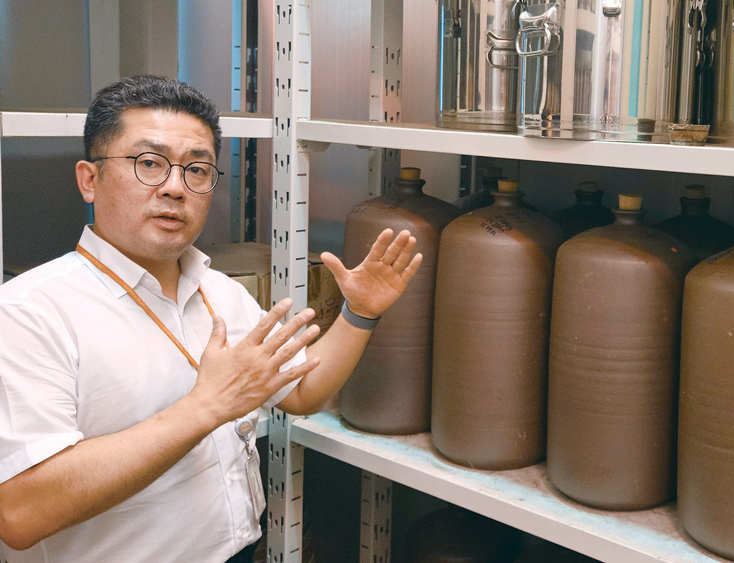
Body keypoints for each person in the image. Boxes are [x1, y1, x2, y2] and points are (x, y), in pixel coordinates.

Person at [0, 75, 422, 562]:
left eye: (197, 170)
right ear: (89, 180)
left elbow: (301, 391)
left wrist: (360, 313)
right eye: (149, 164)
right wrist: (206, 407)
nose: (176, 188)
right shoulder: (28, 313)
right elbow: (21, 512)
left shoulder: (217, 290)